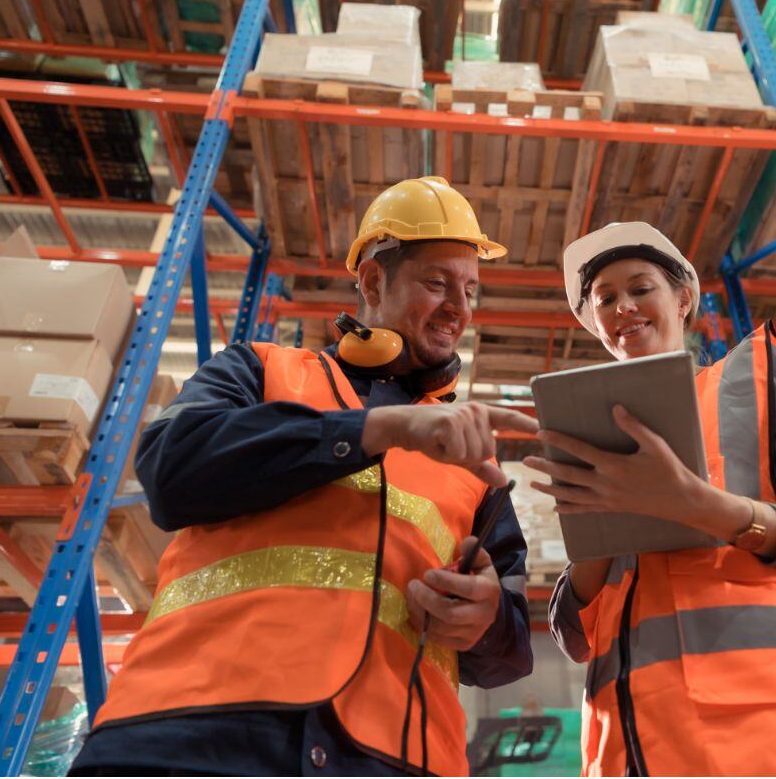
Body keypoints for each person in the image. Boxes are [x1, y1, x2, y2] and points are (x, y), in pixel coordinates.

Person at [70, 176, 538, 777]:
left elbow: (513, 652)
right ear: (373, 281)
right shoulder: (259, 369)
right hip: (192, 728)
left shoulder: (480, 468)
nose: (460, 308)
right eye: (437, 283)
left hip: (395, 754)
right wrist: (376, 430)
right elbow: (169, 468)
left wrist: (485, 618)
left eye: (471, 289)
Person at [524, 222, 776, 777]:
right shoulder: (591, 440)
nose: (623, 308)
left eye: (641, 288)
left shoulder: (747, 380)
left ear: (683, 299)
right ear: (595, 326)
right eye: (605, 300)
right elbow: (574, 637)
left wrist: (702, 506)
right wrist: (596, 521)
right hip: (649, 754)